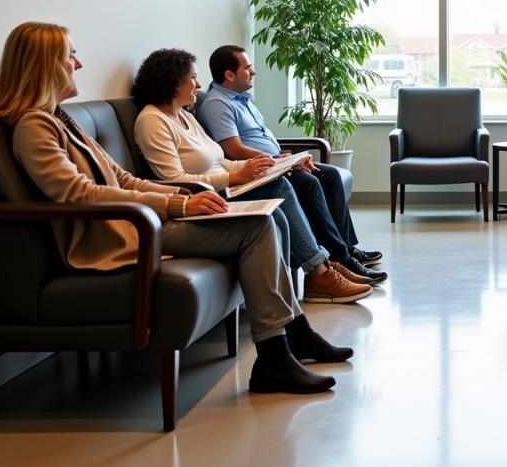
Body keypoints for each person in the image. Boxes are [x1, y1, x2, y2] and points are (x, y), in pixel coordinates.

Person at [0, 22, 350, 395]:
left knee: (268, 215)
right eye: (70, 56)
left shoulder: (61, 121)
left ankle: (293, 336)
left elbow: (123, 180)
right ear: (44, 64)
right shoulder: (35, 127)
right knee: (257, 227)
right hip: (114, 235)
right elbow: (80, 195)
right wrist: (177, 203)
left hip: (134, 221)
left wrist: (182, 200)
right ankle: (277, 354)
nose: (78, 64)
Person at [131, 48, 373, 304]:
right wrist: (235, 177)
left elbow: (220, 160)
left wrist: (256, 165)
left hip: (224, 188)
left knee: (279, 204)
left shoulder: (184, 116)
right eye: (193, 77)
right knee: (279, 187)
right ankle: (320, 273)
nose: (199, 84)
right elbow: (175, 180)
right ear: (172, 81)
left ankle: (320, 271)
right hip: (203, 199)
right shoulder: (151, 121)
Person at [196, 45, 384, 283]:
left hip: (274, 163)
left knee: (330, 175)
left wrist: (288, 158)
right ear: (229, 75)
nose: (253, 72)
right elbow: (233, 149)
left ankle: (346, 248)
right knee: (309, 183)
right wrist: (278, 162)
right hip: (257, 171)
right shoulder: (217, 104)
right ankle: (341, 257)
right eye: (247, 67)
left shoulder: (242, 100)